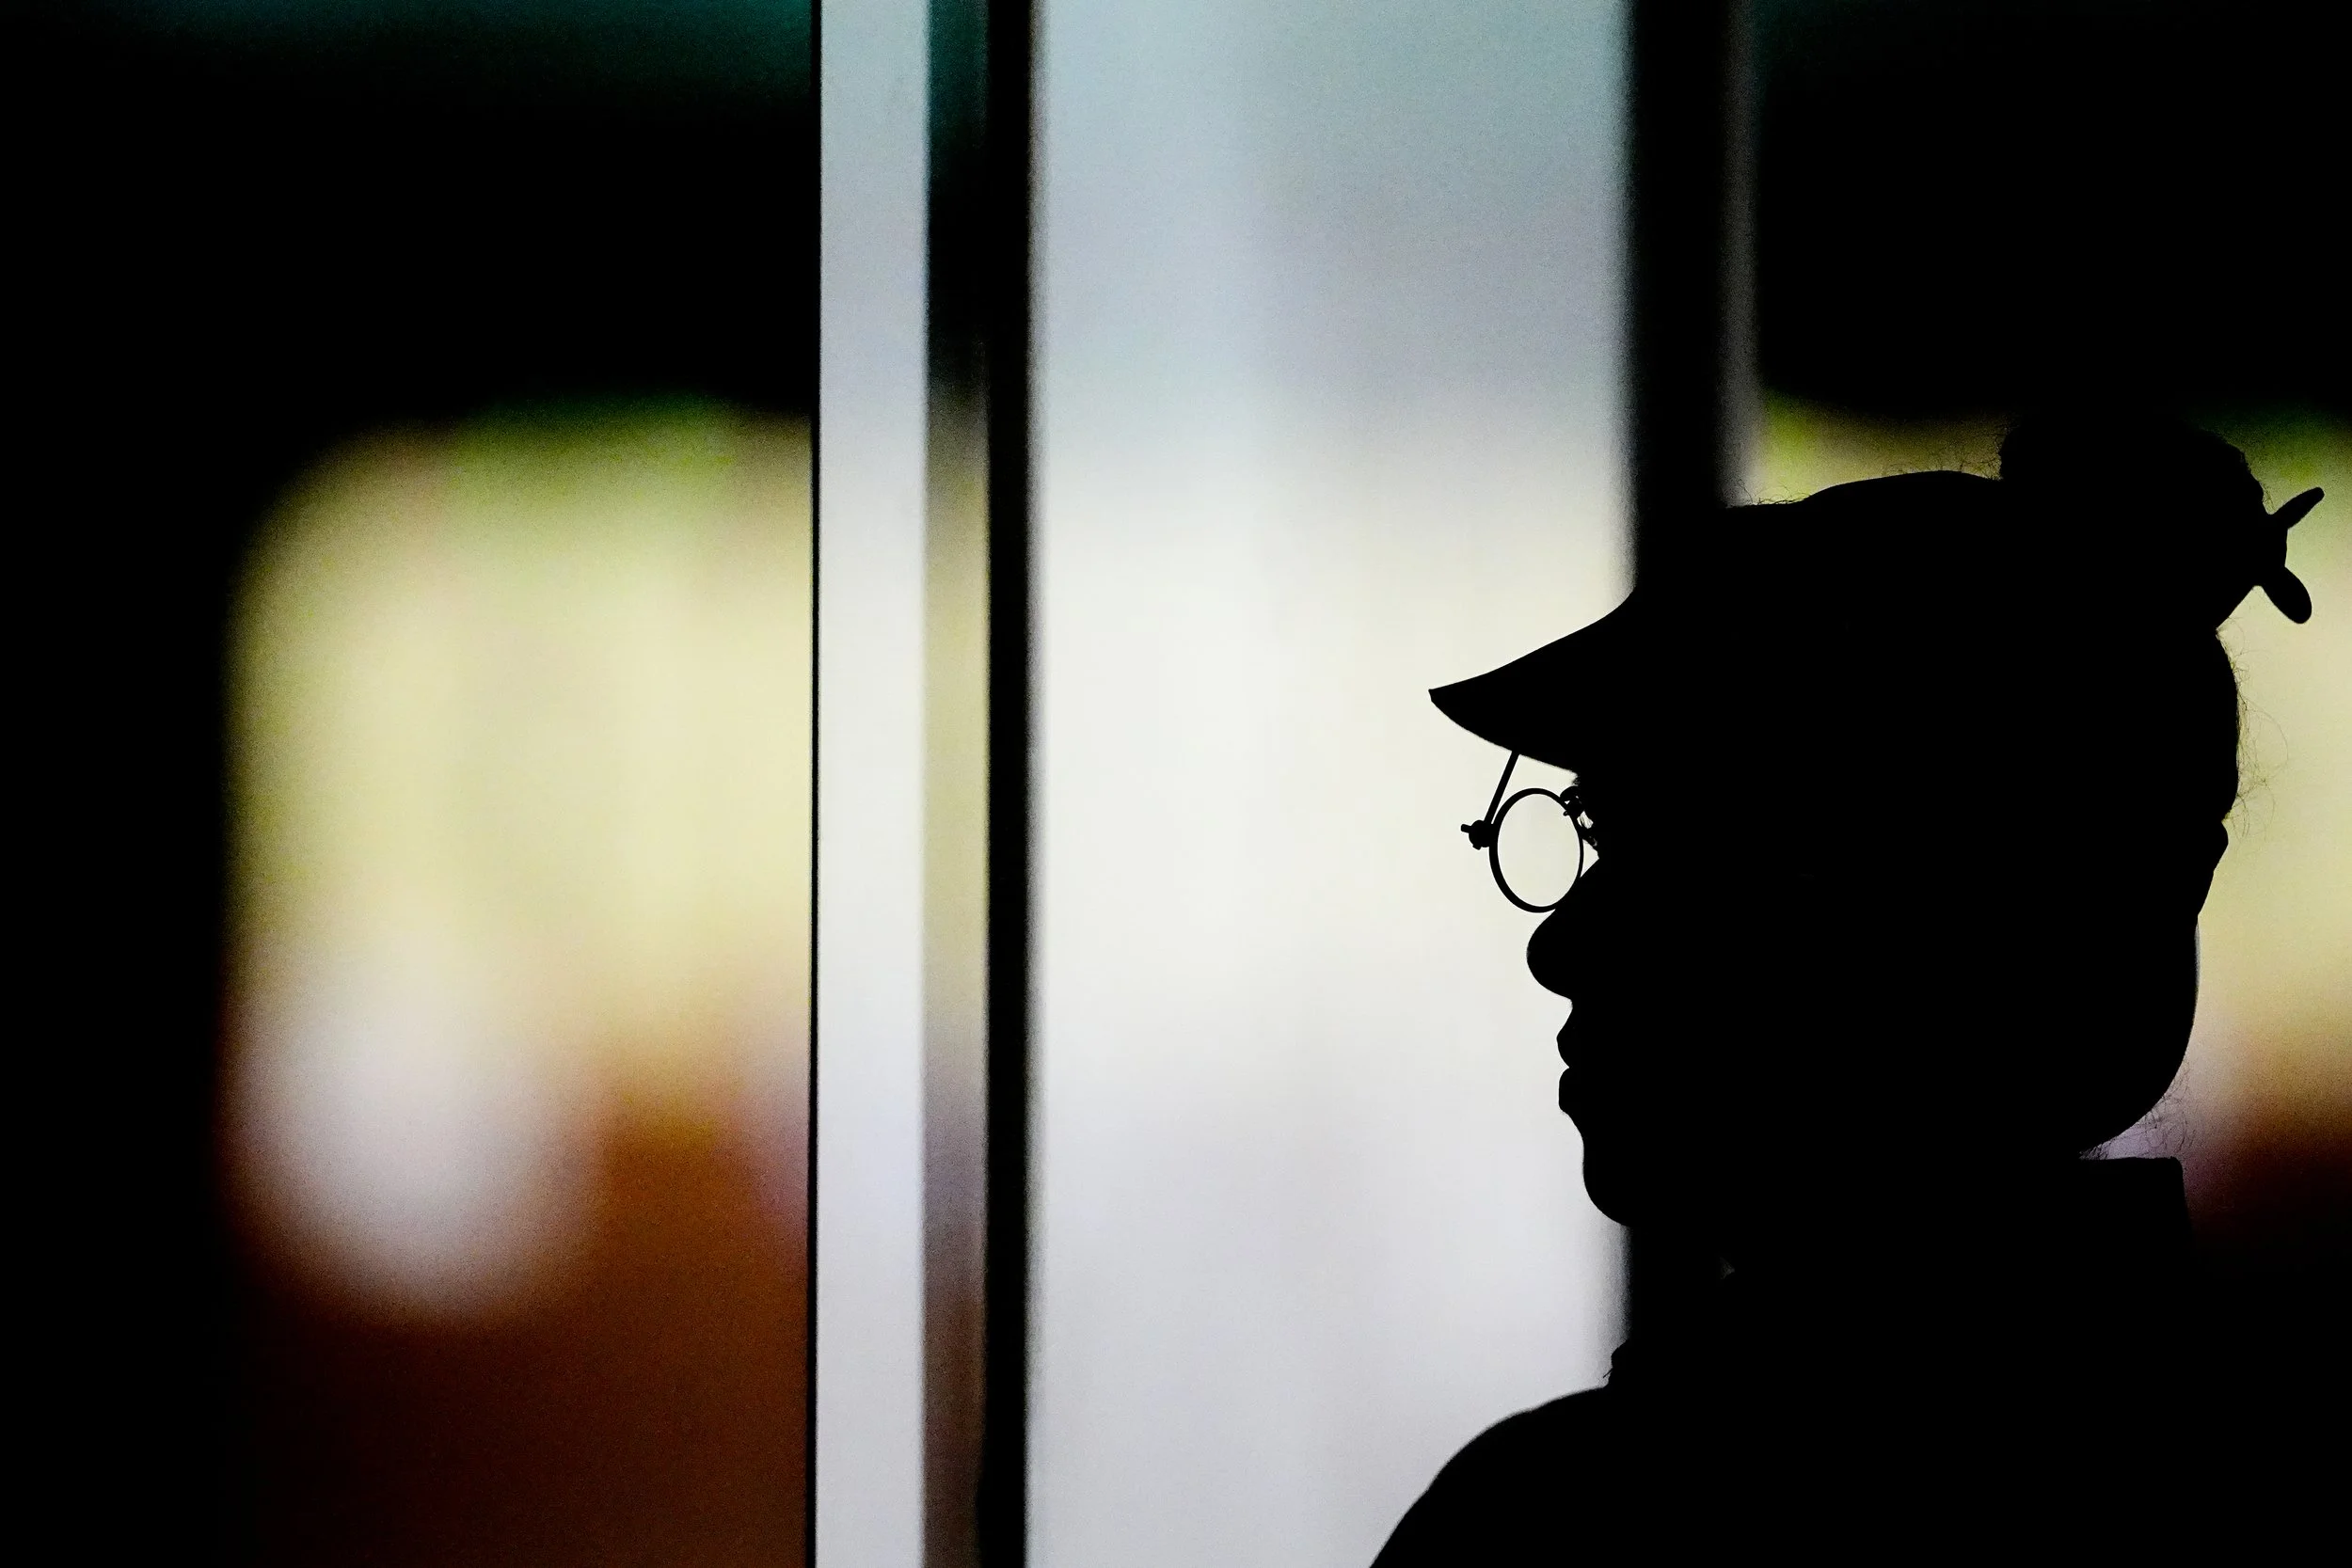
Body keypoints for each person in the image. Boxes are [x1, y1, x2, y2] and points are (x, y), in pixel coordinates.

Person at [1375, 415, 2323, 1558]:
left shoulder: (1562, 1523)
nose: (1560, 948)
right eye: (1598, 836)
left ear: (1931, 915)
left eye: (1675, 850)